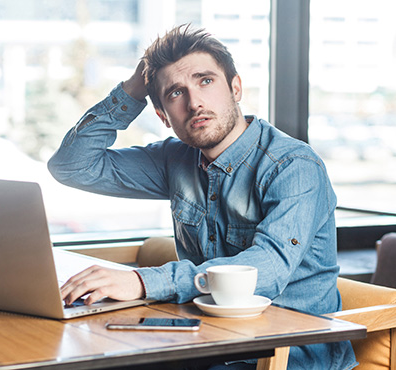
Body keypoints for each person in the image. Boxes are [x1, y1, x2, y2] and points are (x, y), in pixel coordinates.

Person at [48, 25, 357, 369]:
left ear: (235, 88)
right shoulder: (174, 160)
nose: (195, 102)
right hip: (205, 339)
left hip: (287, 352)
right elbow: (72, 166)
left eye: (205, 81)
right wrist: (132, 91)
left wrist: (140, 281)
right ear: (163, 116)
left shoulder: (293, 166)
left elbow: (266, 269)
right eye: (176, 93)